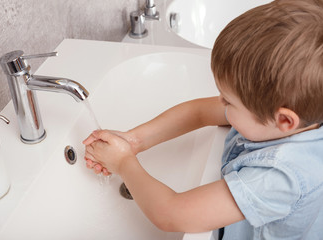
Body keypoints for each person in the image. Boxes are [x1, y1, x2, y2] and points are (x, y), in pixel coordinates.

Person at [83, 0, 323, 239]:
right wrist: (135, 140)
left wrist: (124, 162)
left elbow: (171, 214)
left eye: (229, 101)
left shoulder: (280, 178)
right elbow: (198, 113)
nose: (220, 102)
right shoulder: (288, 116)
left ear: (285, 120)